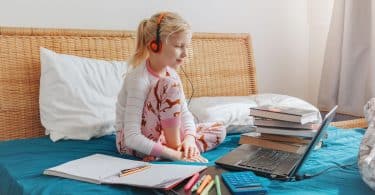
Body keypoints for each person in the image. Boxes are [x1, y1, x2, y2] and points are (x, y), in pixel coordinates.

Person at [115, 11, 226, 162]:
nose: (185, 53)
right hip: (131, 144)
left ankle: (176, 151)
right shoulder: (138, 79)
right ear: (154, 45)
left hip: (163, 137)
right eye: (179, 46)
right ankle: (172, 151)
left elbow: (185, 114)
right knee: (169, 84)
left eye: (186, 46)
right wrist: (175, 155)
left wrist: (190, 140)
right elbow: (132, 137)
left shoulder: (172, 74)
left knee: (219, 129)